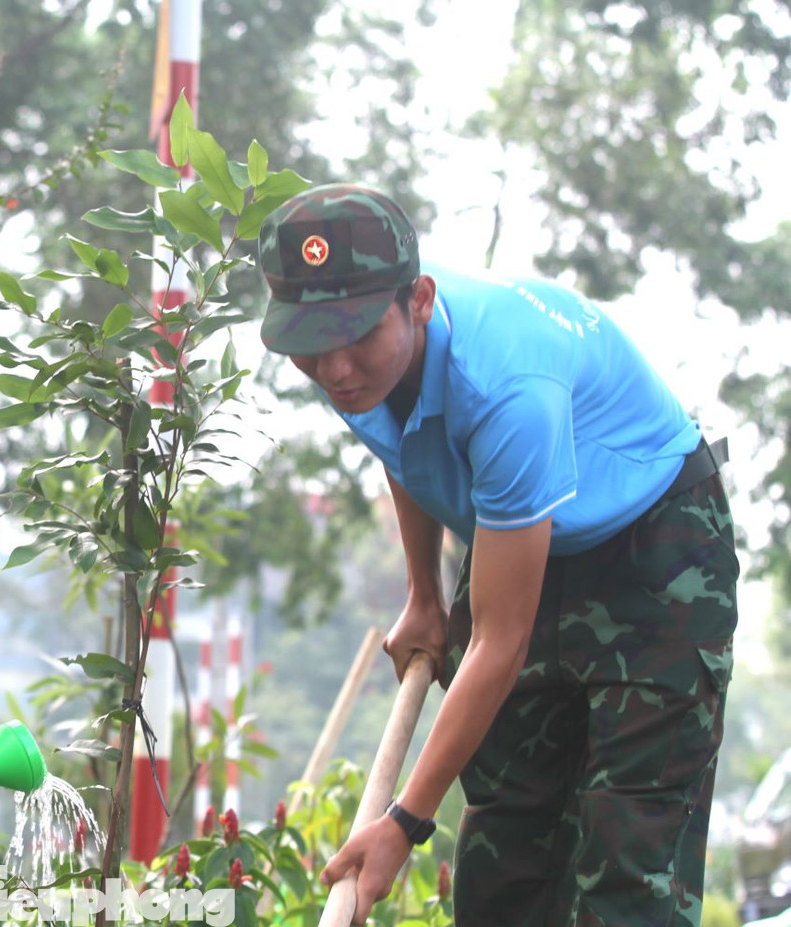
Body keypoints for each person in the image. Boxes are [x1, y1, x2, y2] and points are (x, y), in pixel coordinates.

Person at [258, 184, 738, 926]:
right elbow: (405, 445)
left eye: (354, 336)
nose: (336, 367)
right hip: (517, 537)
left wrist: (404, 823)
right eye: (311, 344)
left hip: (655, 553)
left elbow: (500, 639)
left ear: (417, 299)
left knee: (625, 862)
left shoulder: (506, 386)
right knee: (505, 854)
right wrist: (423, 594)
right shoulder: (348, 357)